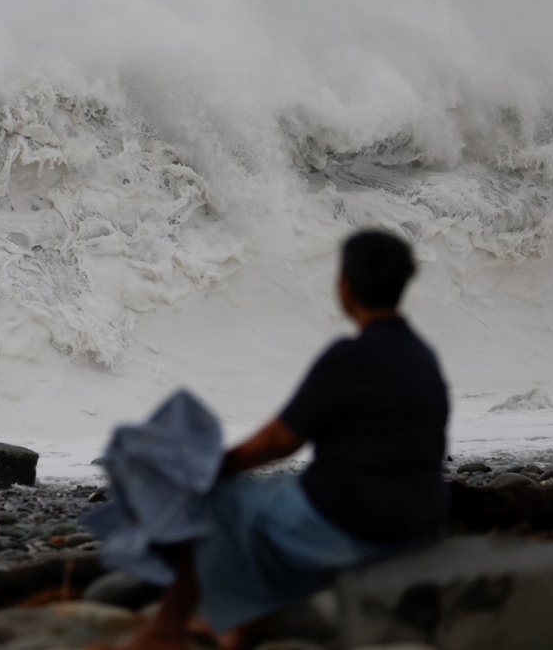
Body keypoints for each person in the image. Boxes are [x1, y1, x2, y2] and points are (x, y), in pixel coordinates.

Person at [123, 229, 449, 650]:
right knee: (279, 499)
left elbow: (280, 439)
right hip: (422, 521)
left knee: (219, 500)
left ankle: (165, 631)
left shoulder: (349, 357)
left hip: (359, 527)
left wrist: (212, 468)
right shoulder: (422, 356)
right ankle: (248, 623)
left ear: (345, 286)